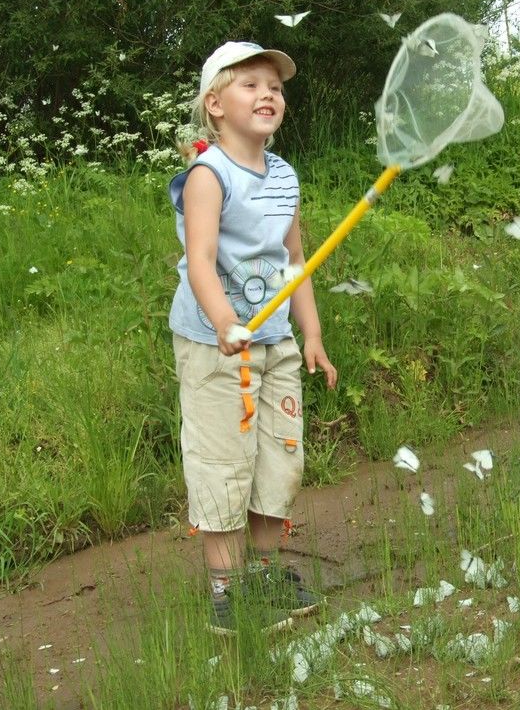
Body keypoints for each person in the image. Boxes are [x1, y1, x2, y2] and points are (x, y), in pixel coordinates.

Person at [168, 41, 338, 635]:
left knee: (278, 459)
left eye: (277, 86)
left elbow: (296, 259)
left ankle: (262, 573)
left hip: (277, 341)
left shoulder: (286, 176)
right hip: (217, 345)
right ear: (215, 104)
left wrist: (311, 333)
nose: (269, 94)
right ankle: (226, 590)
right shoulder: (208, 175)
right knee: (223, 461)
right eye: (251, 84)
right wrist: (223, 322)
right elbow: (200, 260)